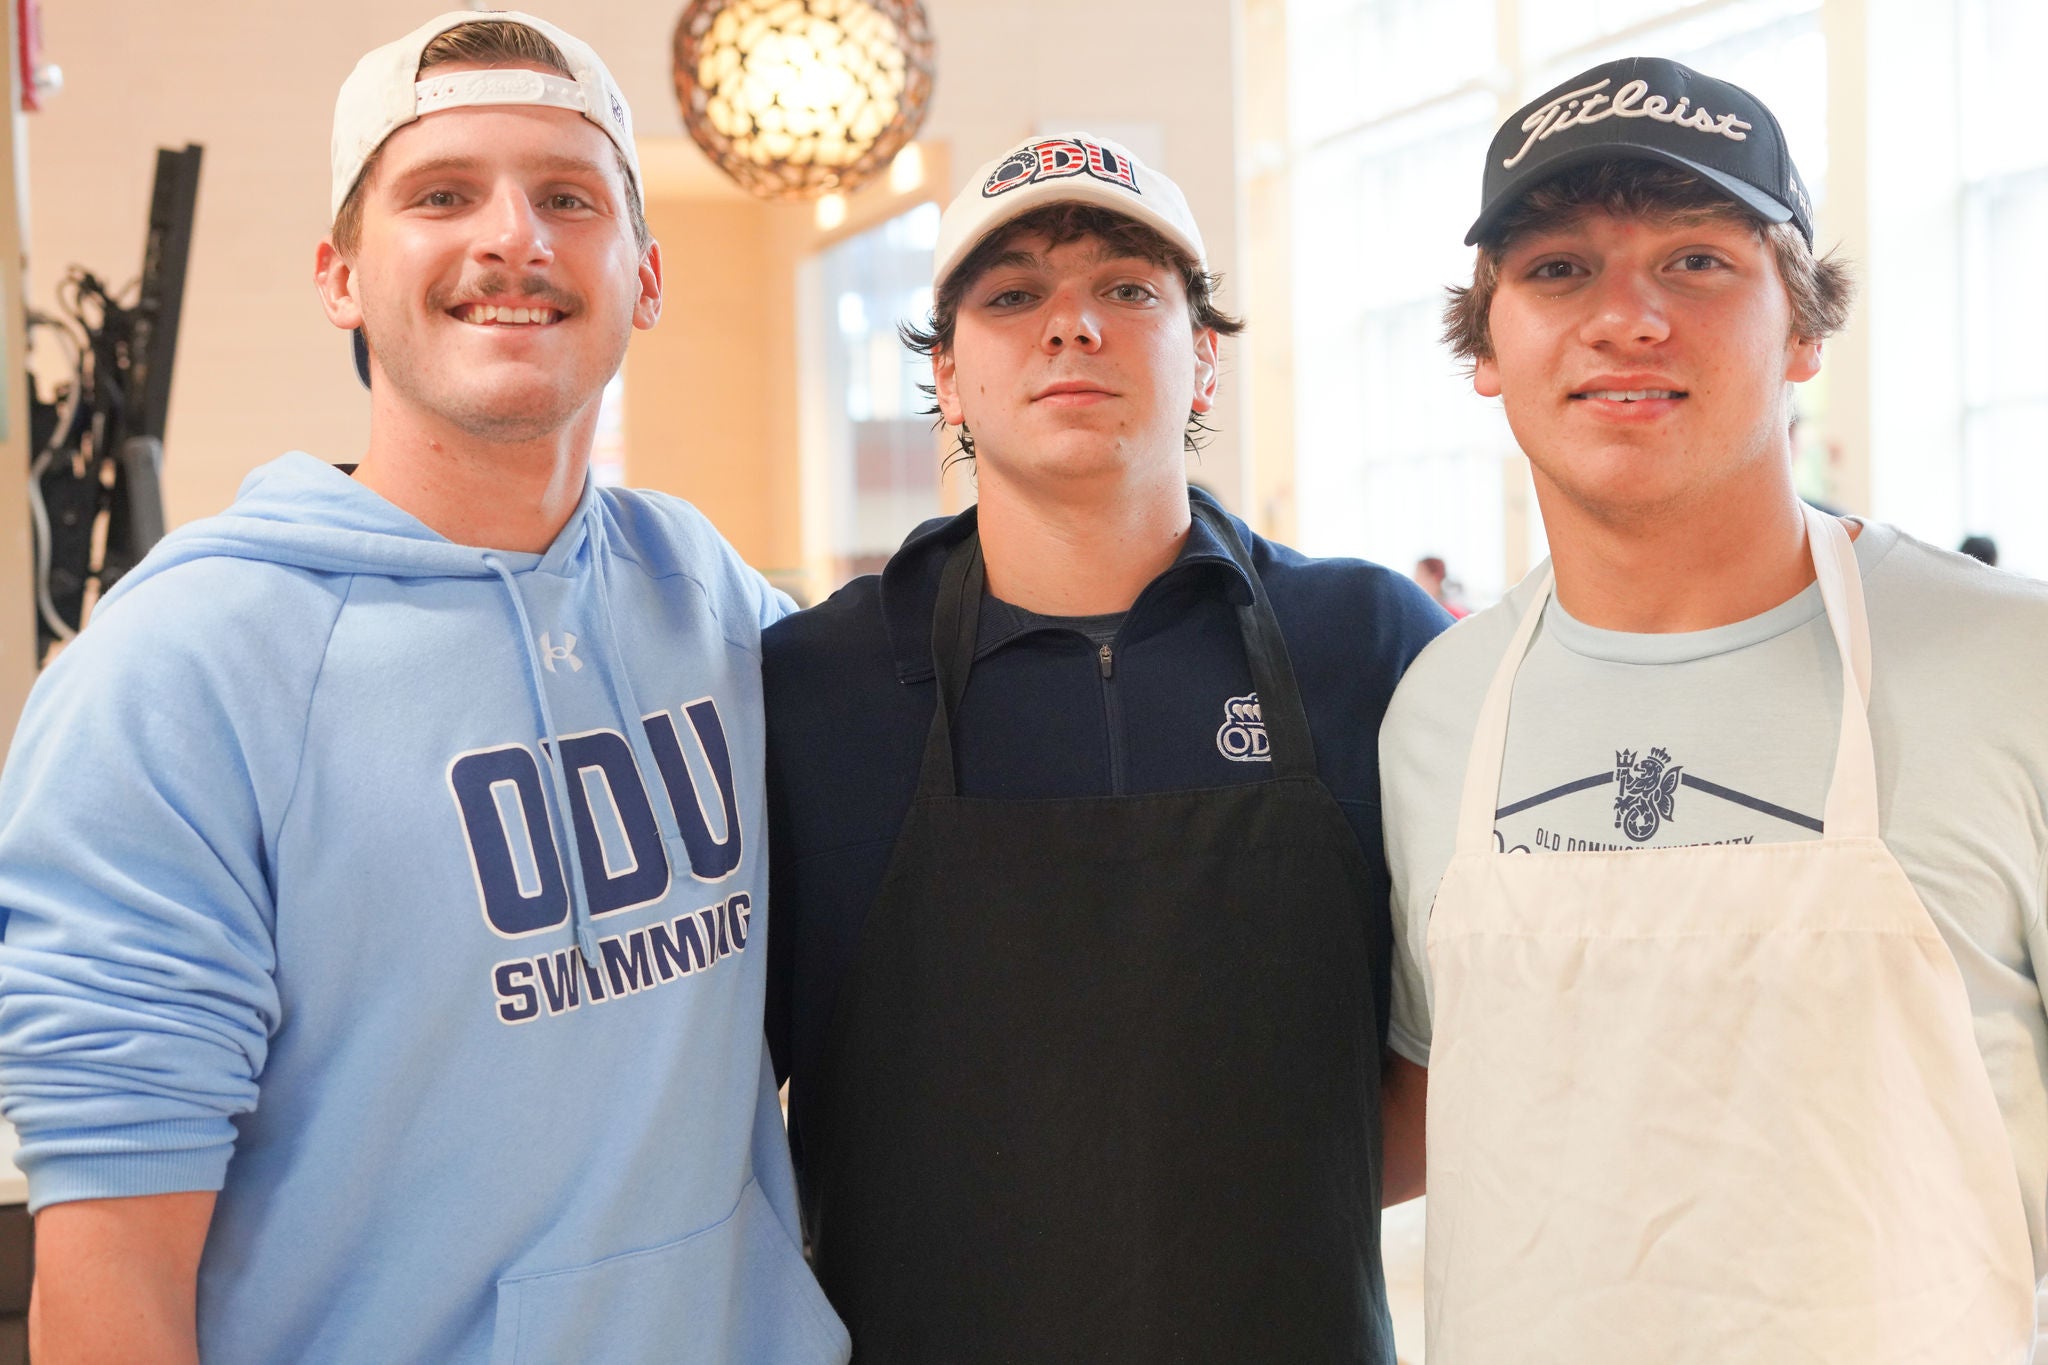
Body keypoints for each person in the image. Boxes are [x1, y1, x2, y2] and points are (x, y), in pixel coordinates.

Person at [0, 13, 848, 1363]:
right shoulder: (176, 679)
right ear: (339, 276)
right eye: (441, 193)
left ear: (644, 274)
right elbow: (109, 1289)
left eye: (568, 197)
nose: (512, 236)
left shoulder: (706, 593)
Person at [1380, 55, 2048, 1363]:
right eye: (1559, 268)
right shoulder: (1442, 715)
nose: (1625, 317)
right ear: (1486, 347)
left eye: (1697, 260)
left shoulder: (2013, 669)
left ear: (1804, 329)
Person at [763, 132, 1447, 1362]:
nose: (1070, 325)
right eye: (1012, 294)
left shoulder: (1367, 645)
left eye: (1127, 290)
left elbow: (1456, 1050)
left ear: (1204, 367)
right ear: (950, 381)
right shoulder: (813, 687)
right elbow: (718, 1093)